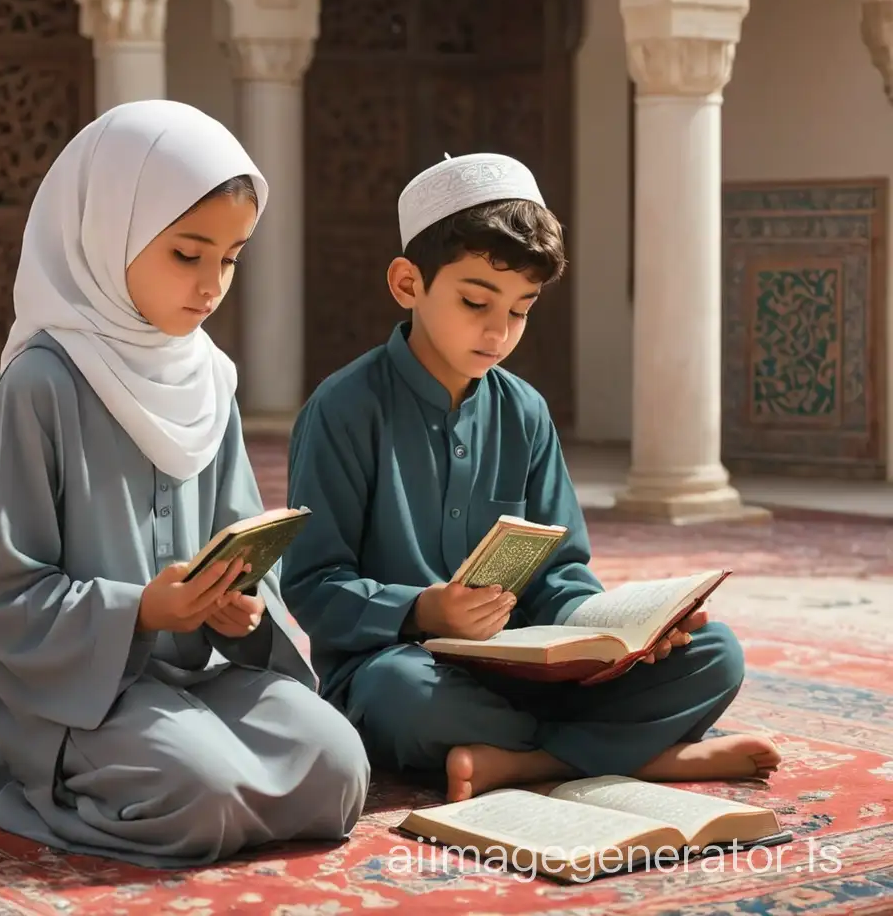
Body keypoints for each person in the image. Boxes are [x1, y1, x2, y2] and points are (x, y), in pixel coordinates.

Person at [0, 101, 369, 867]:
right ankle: (58, 779)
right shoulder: (42, 384)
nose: (211, 285)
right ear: (111, 234)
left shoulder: (209, 379)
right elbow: (6, 595)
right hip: (77, 692)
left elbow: (236, 548)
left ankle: (193, 761)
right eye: (187, 254)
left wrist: (234, 605)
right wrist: (141, 609)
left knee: (340, 769)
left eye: (229, 259)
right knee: (199, 794)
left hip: (197, 675)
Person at [281, 152, 781, 803]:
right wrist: (422, 609)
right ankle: (638, 754)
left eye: (521, 310)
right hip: (400, 667)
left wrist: (621, 638)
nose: (498, 330)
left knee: (715, 654)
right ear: (408, 284)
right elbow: (314, 586)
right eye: (475, 301)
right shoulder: (344, 410)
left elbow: (562, 572)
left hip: (526, 669)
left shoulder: (524, 412)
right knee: (403, 700)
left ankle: (523, 763)